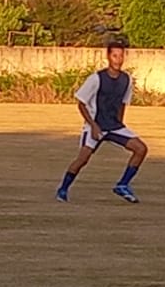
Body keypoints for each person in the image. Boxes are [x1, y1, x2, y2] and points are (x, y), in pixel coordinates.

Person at [57, 39, 148, 203]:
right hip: (96, 125)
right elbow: (81, 103)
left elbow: (122, 104)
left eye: (121, 56)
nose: (118, 60)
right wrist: (92, 126)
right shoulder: (96, 78)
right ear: (108, 57)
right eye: (115, 56)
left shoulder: (126, 80)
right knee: (82, 160)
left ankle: (122, 185)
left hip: (114, 126)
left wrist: (120, 124)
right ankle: (63, 189)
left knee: (141, 149)